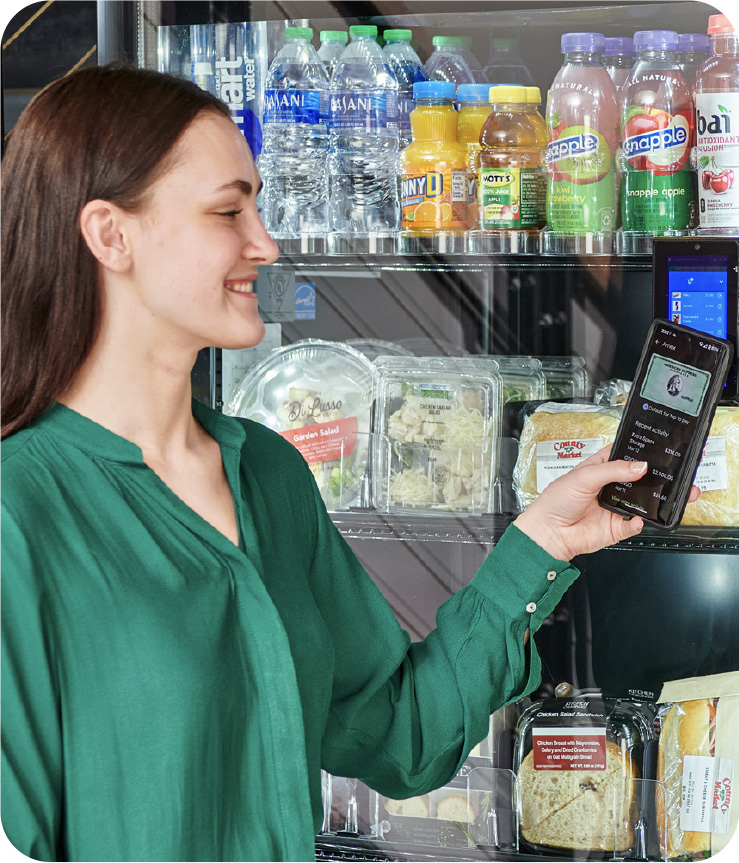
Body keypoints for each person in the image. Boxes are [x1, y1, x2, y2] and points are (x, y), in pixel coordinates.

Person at [0, 65, 694, 863]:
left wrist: (540, 541)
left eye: (257, 205)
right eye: (229, 210)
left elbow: (397, 735)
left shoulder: (266, 472)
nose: (263, 241)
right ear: (109, 234)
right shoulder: (20, 511)